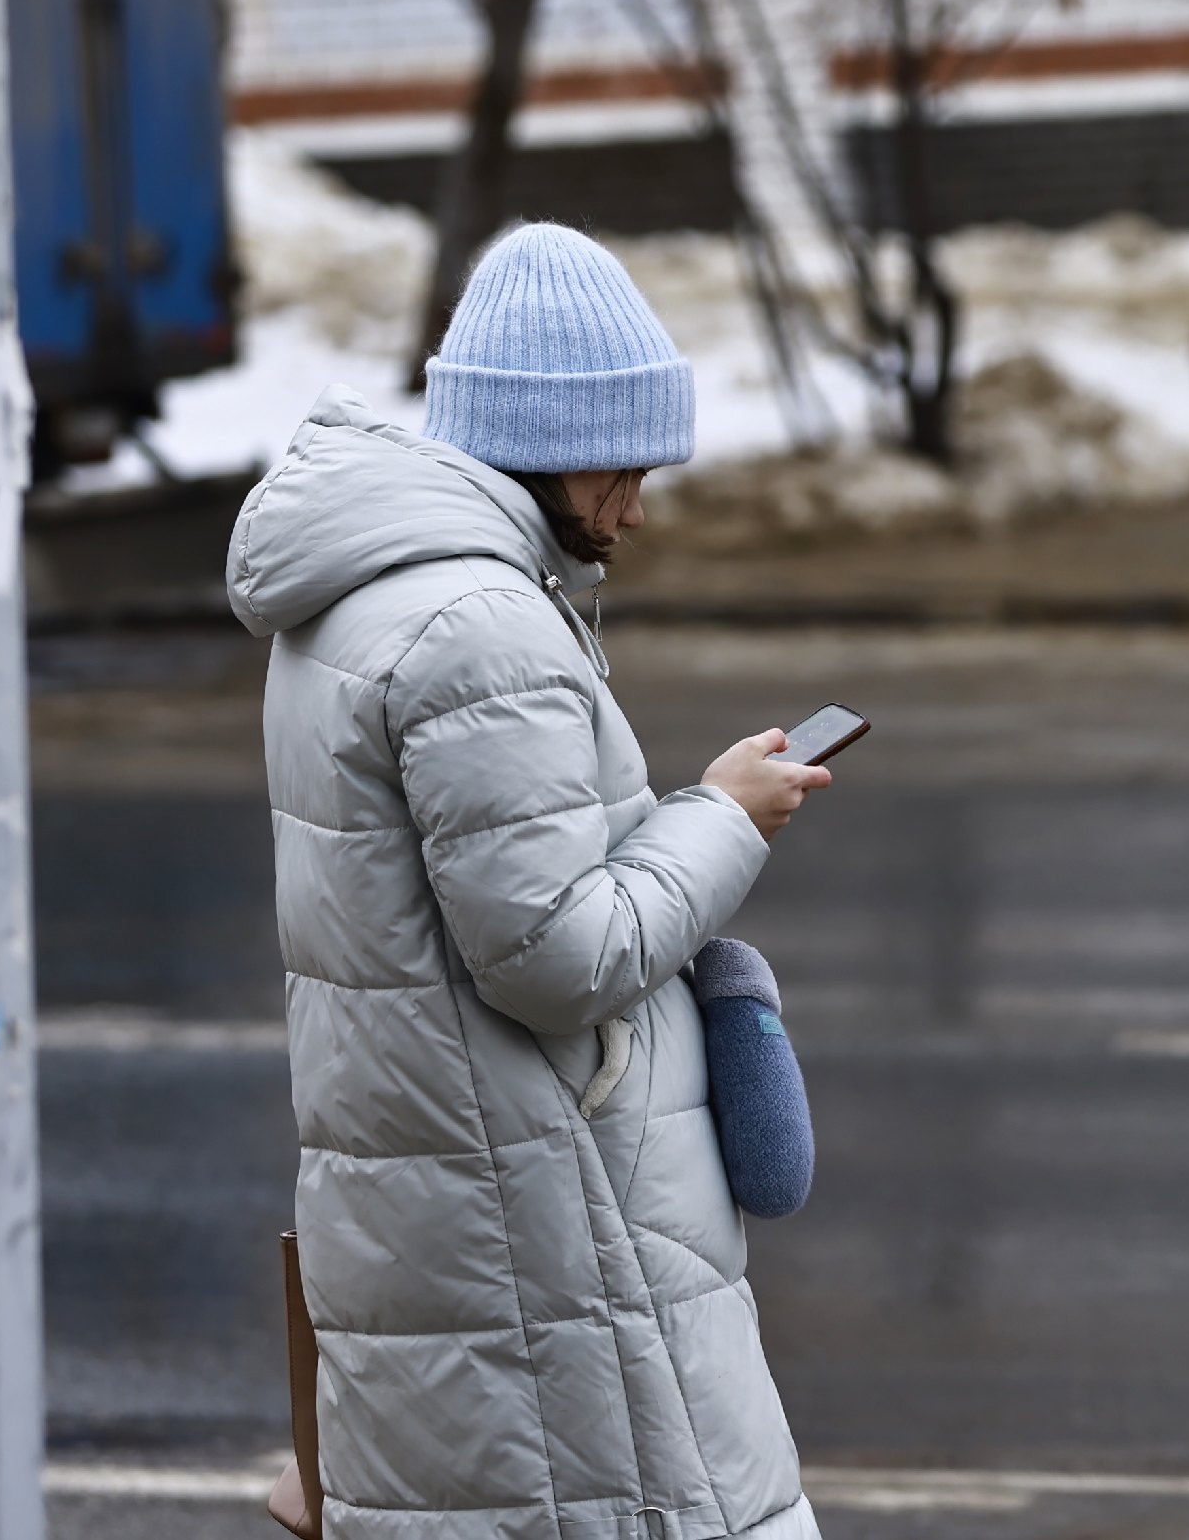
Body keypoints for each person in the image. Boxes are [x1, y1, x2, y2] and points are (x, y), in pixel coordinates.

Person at [226, 222, 832, 1539]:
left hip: (452, 1206)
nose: (637, 502)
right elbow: (558, 955)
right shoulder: (477, 625)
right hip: (548, 1229)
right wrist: (725, 819)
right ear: (556, 441)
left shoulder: (360, 597)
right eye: (628, 462)